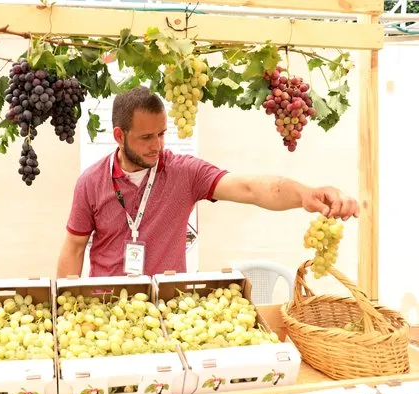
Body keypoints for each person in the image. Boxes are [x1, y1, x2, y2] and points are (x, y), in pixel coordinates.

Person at [56, 86, 359, 278]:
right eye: (147, 137)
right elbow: (74, 248)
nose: (157, 145)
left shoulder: (184, 173)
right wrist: (65, 309)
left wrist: (305, 194)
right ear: (120, 136)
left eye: (162, 134)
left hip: (169, 310)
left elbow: (251, 188)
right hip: (104, 310)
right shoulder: (91, 182)